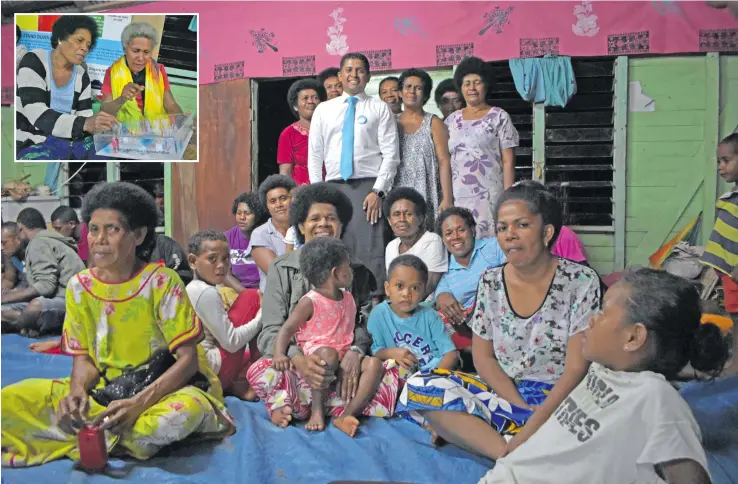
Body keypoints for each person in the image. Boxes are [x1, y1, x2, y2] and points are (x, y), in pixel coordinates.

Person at [0, 182, 234, 467]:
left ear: (138, 235)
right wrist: (76, 394)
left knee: (170, 420)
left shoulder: (161, 283)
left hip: (166, 389)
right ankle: (107, 434)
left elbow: (188, 363)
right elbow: (84, 360)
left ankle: (89, 434)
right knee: (8, 401)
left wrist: (139, 404)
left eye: (113, 229)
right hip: (107, 390)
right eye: (94, 229)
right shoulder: (80, 287)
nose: (99, 239)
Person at [396, 182, 601, 460]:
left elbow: (577, 368)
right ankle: (508, 453)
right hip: (505, 394)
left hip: (561, 397)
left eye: (522, 225)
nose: (510, 235)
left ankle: (500, 439)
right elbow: (483, 358)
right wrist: (519, 409)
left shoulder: (580, 281)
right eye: (502, 228)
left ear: (547, 232)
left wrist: (537, 416)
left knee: (605, 419)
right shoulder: (491, 281)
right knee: (419, 386)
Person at [480, 269, 724, 484]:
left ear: (633, 338)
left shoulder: (654, 395)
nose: (592, 319)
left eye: (603, 312)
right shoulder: (601, 369)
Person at [247, 182, 399, 428]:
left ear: (341, 225)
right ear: (300, 225)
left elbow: (365, 324)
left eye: (331, 218)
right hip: (299, 367)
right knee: (261, 368)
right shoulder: (281, 267)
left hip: (342, 366)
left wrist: (355, 352)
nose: (323, 224)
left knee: (386, 371)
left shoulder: (355, 270)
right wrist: (300, 361)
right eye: (314, 218)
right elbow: (271, 331)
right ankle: (324, 403)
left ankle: (327, 408)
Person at [308, 52, 401, 298]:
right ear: (340, 75)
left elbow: (391, 154)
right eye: (348, 70)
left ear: (368, 76)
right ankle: (334, 301)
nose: (354, 75)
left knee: (370, 248)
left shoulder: (379, 108)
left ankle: (373, 304)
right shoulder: (324, 110)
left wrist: (378, 191)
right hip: (332, 190)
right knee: (335, 247)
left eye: (360, 70)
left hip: (368, 189)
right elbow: (315, 156)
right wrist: (318, 195)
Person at [273, 238, 383, 436]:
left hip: (342, 353)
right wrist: (280, 354)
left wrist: (354, 352)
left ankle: (347, 415)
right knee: (328, 354)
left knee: (374, 364)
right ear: (335, 273)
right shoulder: (310, 301)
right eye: (347, 266)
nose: (351, 270)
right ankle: (317, 410)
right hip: (317, 354)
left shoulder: (348, 297)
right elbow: (287, 329)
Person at [16, 15, 117, 160]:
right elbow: (37, 114)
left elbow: (85, 117)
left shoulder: (82, 75)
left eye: (88, 45)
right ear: (61, 38)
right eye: (79, 40)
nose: (84, 48)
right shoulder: (34, 60)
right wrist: (86, 123)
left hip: (69, 141)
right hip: (33, 140)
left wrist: (102, 126)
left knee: (109, 152)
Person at [447, 56, 519, 237]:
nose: (472, 88)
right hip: (459, 196)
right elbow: (444, 160)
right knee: (462, 239)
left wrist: (507, 198)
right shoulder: (450, 121)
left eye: (477, 82)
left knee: (493, 241)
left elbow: (508, 161)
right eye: (467, 83)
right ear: (460, 88)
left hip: (490, 196)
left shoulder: (499, 117)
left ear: (486, 85)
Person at [186, 230, 262, 401]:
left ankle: (241, 383)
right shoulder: (205, 292)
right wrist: (261, 317)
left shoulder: (194, 287)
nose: (221, 265)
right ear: (193, 261)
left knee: (249, 357)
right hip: (215, 372)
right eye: (212, 259)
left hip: (205, 369)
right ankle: (259, 382)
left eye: (226, 258)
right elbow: (232, 343)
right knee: (251, 298)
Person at [369, 254, 458, 378]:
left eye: (415, 288)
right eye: (399, 286)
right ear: (387, 288)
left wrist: (430, 379)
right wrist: (392, 352)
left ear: (423, 292)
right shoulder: (378, 315)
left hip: (432, 375)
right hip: (397, 379)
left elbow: (451, 354)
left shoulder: (430, 315)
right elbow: (375, 352)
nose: (406, 294)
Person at [1, 208, 85, 337]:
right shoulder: (46, 240)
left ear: (21, 228)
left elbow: (45, 287)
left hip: (71, 301)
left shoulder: (39, 243)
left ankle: (27, 322)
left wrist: (6, 298)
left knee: (33, 308)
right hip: (62, 298)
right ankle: (26, 323)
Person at [434, 207, 506, 355]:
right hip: (473, 330)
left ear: (473, 230)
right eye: (448, 233)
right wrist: (445, 300)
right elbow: (442, 295)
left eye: (461, 230)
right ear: (443, 239)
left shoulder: (494, 246)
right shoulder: (446, 270)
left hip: (505, 316)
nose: (455, 237)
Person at [700, 132, 738, 377]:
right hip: (730, 273)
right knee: (734, 316)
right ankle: (735, 358)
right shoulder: (732, 195)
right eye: (718, 162)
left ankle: (736, 365)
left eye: (726, 160)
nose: (720, 167)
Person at [395, 68, 454, 228]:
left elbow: (444, 161)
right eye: (408, 87)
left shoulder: (434, 123)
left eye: (418, 88)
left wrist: (447, 198)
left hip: (427, 192)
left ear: (426, 95)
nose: (412, 92)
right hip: (397, 193)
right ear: (400, 92)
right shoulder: (390, 122)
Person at [101, 22, 183, 123]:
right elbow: (104, 112)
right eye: (136, 51)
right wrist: (122, 98)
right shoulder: (112, 72)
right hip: (125, 134)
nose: (141, 58)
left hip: (155, 133)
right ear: (125, 49)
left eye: (146, 52)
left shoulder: (158, 70)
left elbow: (170, 104)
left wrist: (183, 121)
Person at [384, 188, 448, 299]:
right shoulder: (391, 247)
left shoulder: (432, 241)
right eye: (396, 214)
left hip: (426, 306)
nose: (402, 219)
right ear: (389, 221)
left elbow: (429, 286)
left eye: (408, 214)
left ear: (420, 218)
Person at [251, 174, 297, 293]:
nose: (278, 205)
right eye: (272, 201)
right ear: (267, 206)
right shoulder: (260, 234)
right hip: (275, 302)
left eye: (283, 198)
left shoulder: (303, 228)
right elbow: (278, 275)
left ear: (293, 199)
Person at [278, 79, 327, 186]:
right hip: (302, 194)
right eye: (305, 98)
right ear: (295, 106)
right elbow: (285, 172)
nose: (310, 101)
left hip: (332, 189)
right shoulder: (288, 133)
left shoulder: (330, 128)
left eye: (315, 98)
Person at [224, 191, 265, 292]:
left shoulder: (266, 236)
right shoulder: (227, 237)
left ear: (257, 215)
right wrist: (246, 294)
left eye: (247, 213)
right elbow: (225, 274)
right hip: (236, 291)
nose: (242, 217)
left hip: (263, 291)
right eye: (239, 213)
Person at [1, 222, 26, 291]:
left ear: (17, 239)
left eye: (4, 242)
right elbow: (9, 280)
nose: (1, 247)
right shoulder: (9, 253)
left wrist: (12, 293)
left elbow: (32, 287)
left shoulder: (30, 251)